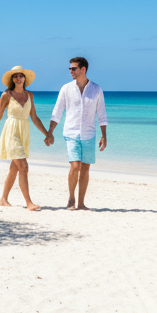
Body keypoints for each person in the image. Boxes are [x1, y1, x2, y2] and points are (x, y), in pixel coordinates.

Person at [0, 65, 52, 210]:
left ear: (25, 78)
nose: (18, 78)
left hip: (24, 132)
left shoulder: (30, 95)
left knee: (14, 169)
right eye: (15, 76)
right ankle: (29, 202)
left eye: (21, 75)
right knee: (24, 167)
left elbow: (34, 117)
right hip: (11, 131)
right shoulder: (6, 95)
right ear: (12, 79)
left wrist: (47, 134)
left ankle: (3, 199)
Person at [47, 56, 107, 210]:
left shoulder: (96, 89)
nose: (70, 71)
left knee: (85, 169)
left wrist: (104, 135)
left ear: (83, 69)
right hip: (71, 133)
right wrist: (50, 132)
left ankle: (81, 203)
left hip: (89, 134)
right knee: (75, 166)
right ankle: (71, 198)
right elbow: (57, 111)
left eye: (73, 68)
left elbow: (101, 114)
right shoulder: (66, 88)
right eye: (70, 68)